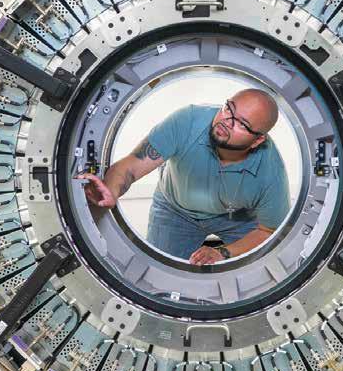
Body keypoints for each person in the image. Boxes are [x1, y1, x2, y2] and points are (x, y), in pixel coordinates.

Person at [77, 88, 290, 265]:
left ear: (257, 141)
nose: (226, 121)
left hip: (237, 219)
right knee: (160, 275)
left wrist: (223, 252)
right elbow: (131, 165)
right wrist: (111, 190)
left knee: (250, 274)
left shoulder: (270, 172)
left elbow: (268, 231)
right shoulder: (188, 121)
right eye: (228, 108)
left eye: (242, 124)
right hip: (175, 210)